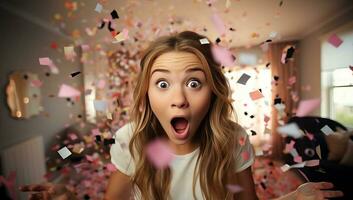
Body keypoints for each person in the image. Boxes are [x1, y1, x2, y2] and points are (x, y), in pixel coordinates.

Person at [19, 31, 344, 200]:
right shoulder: (131, 139)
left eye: (193, 82)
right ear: (147, 92)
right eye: (162, 83)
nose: (178, 99)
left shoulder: (234, 140)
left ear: (213, 90)